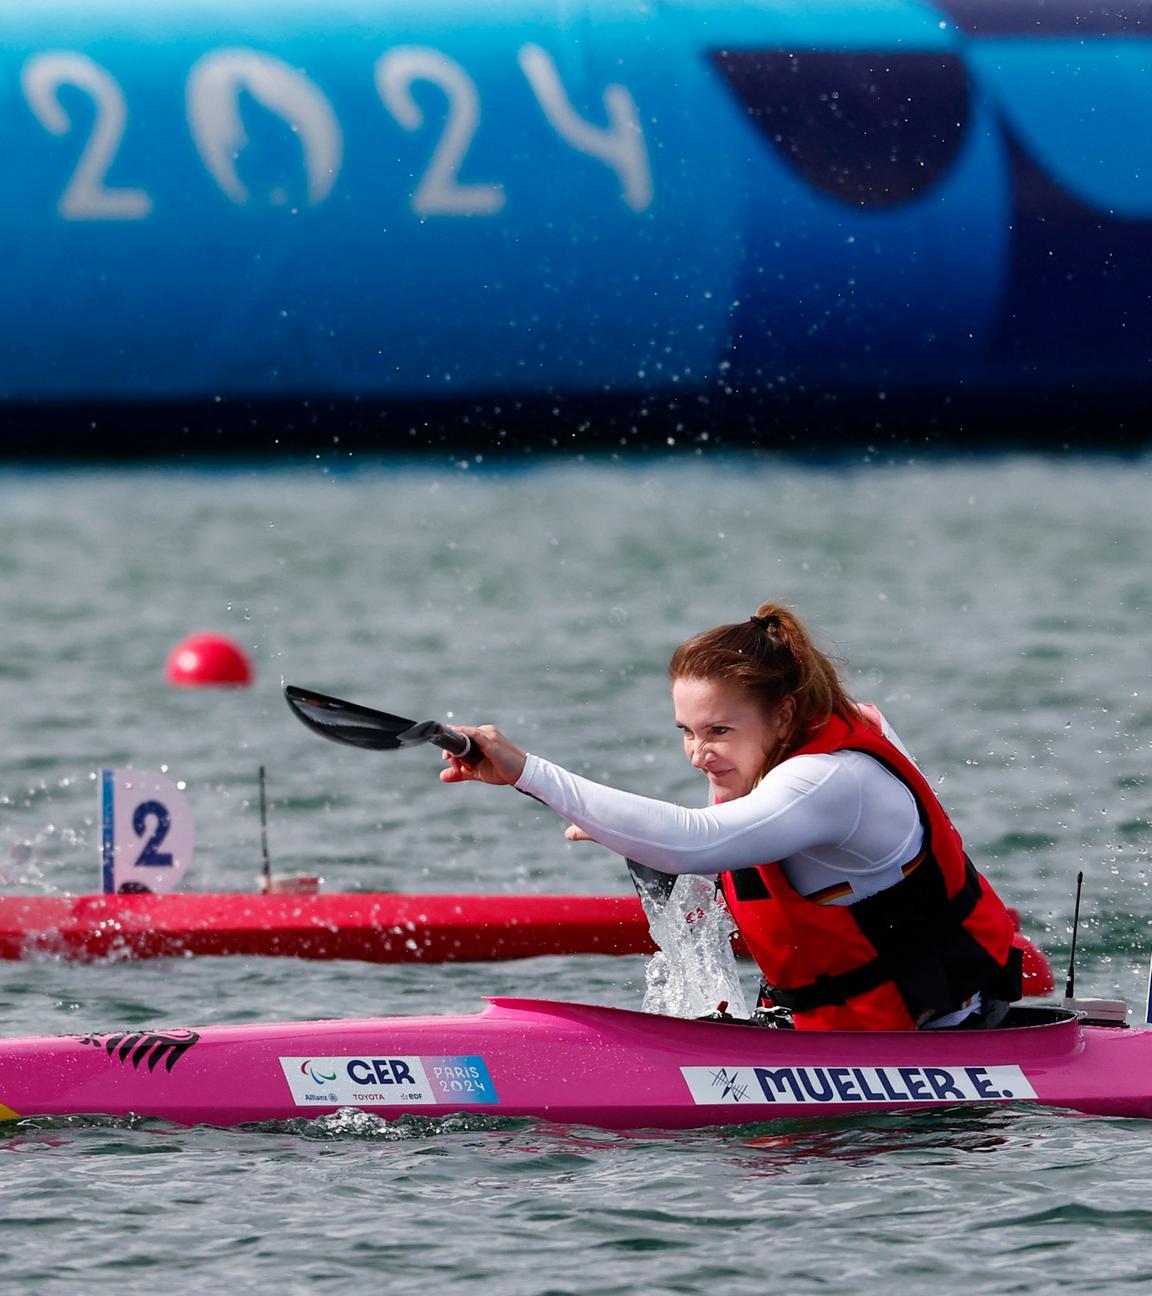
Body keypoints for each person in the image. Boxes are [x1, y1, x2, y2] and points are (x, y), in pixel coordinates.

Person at [439, 603, 1023, 1032]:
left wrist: (526, 771)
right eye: (686, 733)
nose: (698, 753)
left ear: (784, 712)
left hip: (941, 1041)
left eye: (718, 731)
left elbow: (694, 841)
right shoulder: (788, 747)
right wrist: (613, 826)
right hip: (849, 1035)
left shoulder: (830, 780)